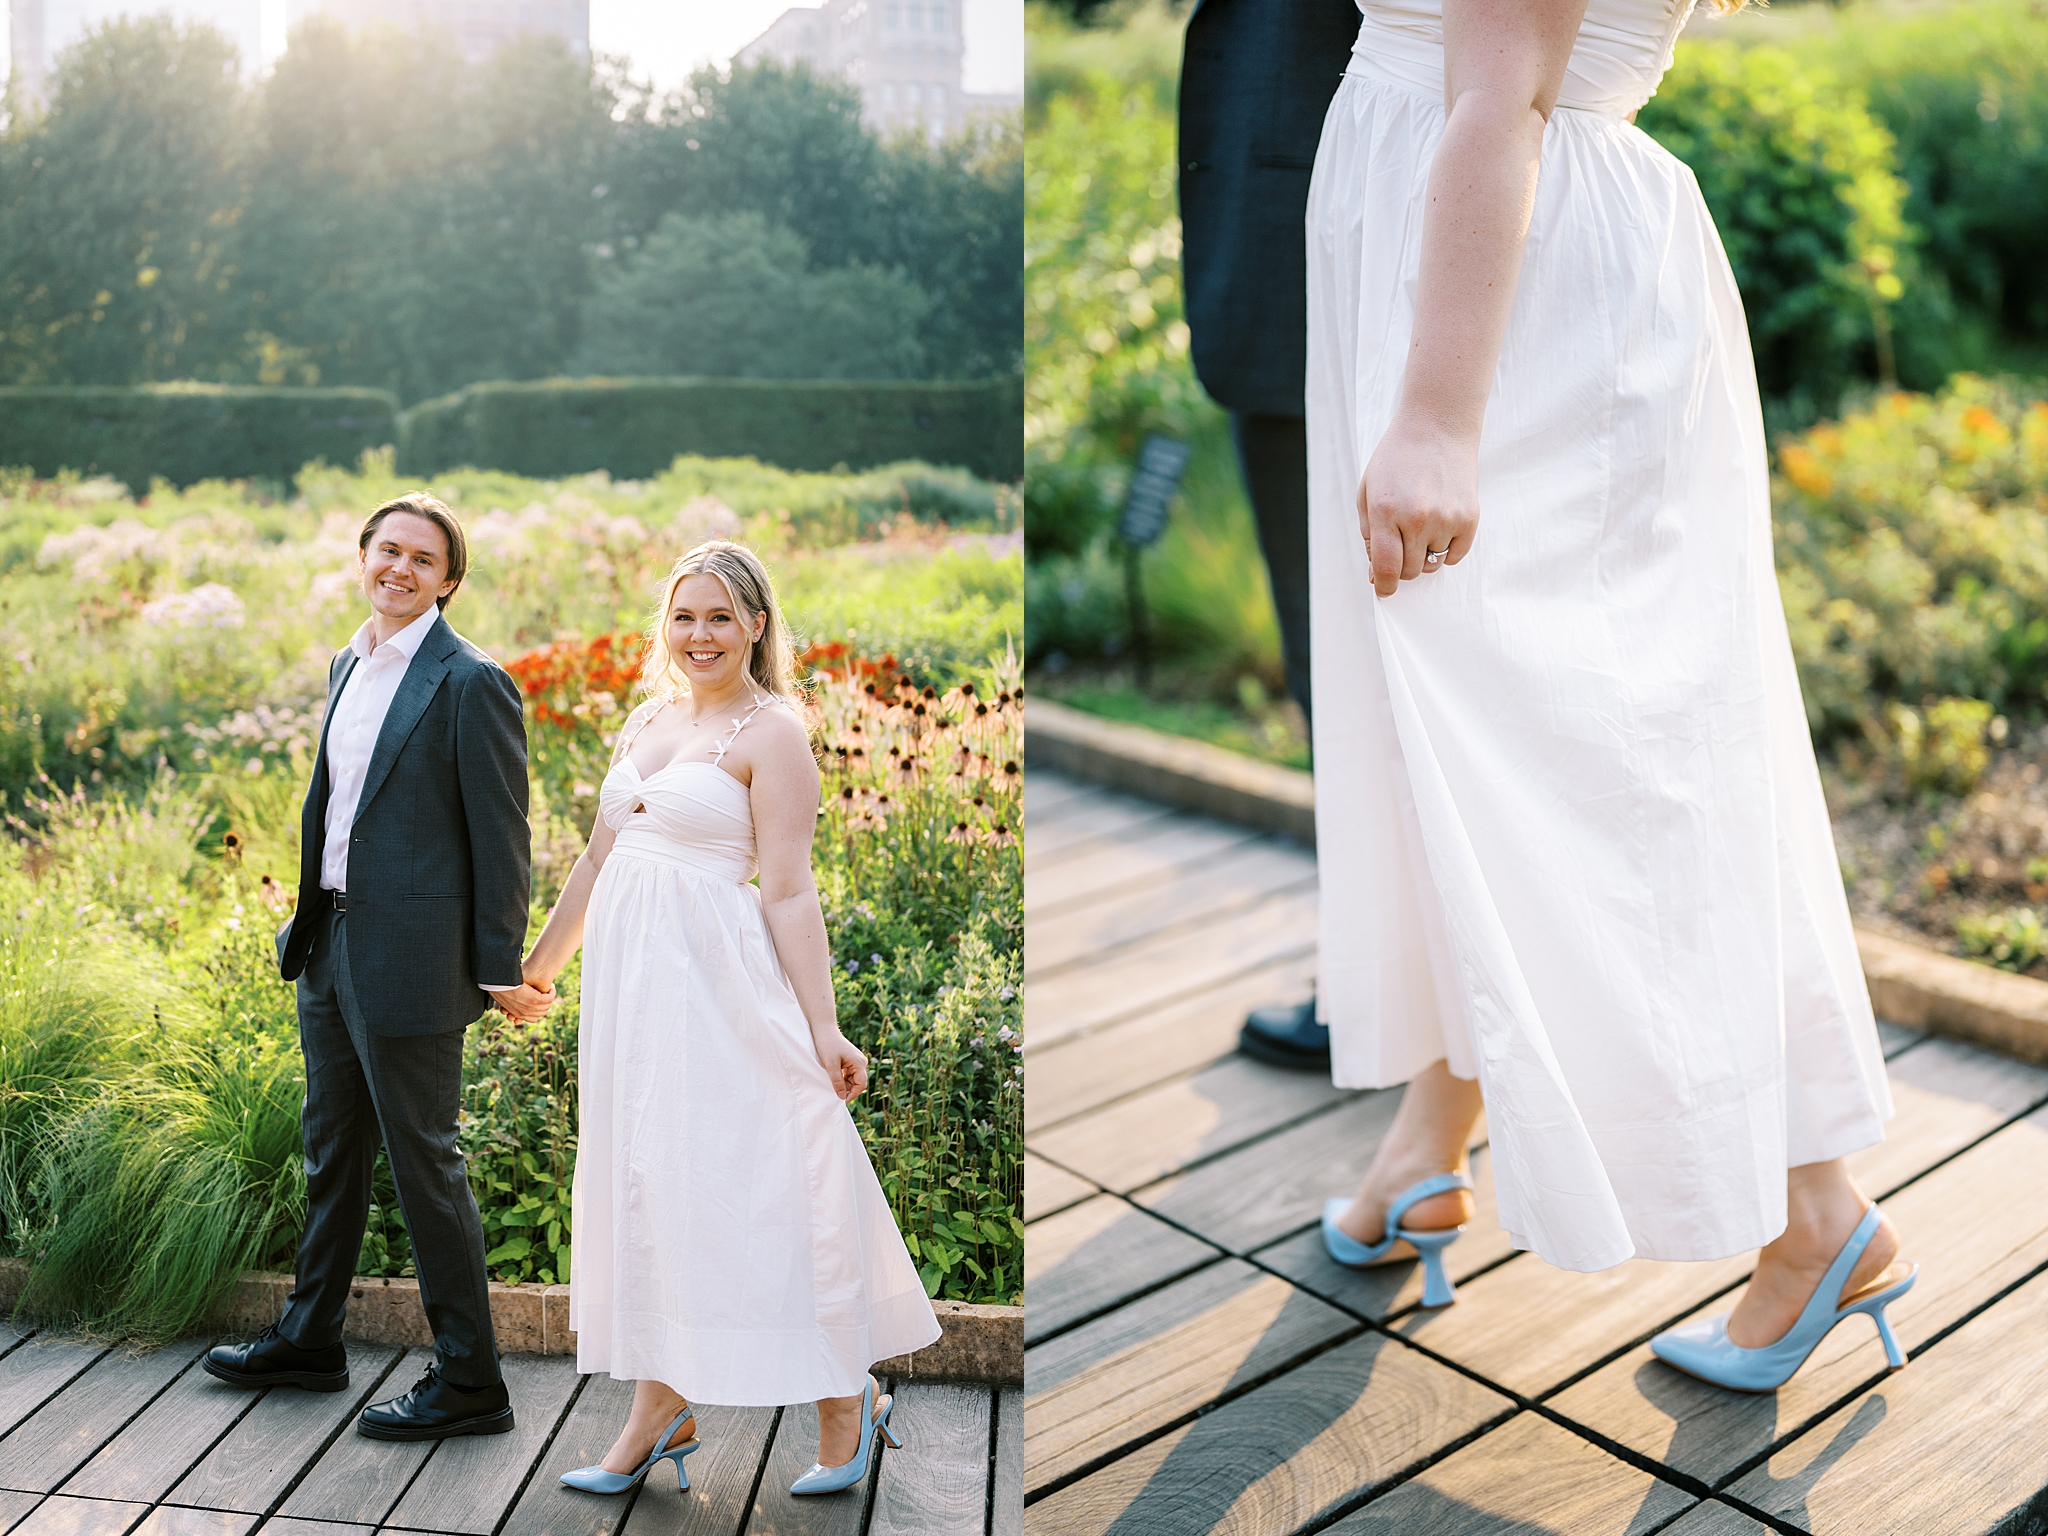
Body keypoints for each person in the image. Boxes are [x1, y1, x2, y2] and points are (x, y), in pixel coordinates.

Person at [1306, 0, 1916, 1391]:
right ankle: (1430, 1134)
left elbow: (1506, 89)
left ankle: (1820, 1209)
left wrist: (1438, 416)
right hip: (1472, 237)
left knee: (1593, 766)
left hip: (1499, 288)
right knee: (1464, 745)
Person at [520, 540, 940, 1498]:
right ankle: (657, 1408)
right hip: (636, 1005)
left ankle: (848, 1398)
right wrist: (538, 972)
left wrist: (824, 1028)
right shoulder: (645, 719)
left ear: (756, 624)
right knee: (651, 1186)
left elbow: (790, 895)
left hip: (722, 994)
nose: (699, 634)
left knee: (770, 1180)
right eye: (683, 616)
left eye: (719, 616)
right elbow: (596, 863)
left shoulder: (773, 733)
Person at [206, 493, 557, 1438]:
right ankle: (310, 1339)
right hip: (329, 948)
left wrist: (496, 969)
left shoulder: (471, 681)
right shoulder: (347, 662)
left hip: (413, 962)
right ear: (363, 557)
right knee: (334, 1156)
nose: (400, 569)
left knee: (425, 1169)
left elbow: (503, 839)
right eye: (387, 551)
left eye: (422, 559)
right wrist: (307, 923)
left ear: (449, 580)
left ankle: (472, 1381)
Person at [1178, 0, 1362, 1070]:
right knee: (1330, 665)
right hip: (1289, 270)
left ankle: (1382, 991)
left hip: (1330, 269)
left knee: (1348, 664)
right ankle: (1379, 973)